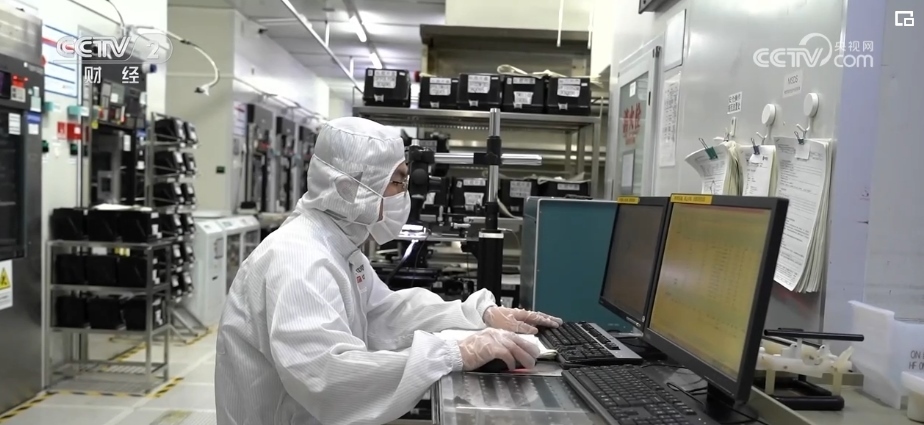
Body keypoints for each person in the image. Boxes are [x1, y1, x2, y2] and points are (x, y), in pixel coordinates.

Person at [215, 117, 562, 425]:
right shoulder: (299, 261)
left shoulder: (335, 246)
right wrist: (453, 353)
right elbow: (329, 378)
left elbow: (383, 313)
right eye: (397, 182)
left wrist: (478, 315)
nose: (403, 195)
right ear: (351, 187)